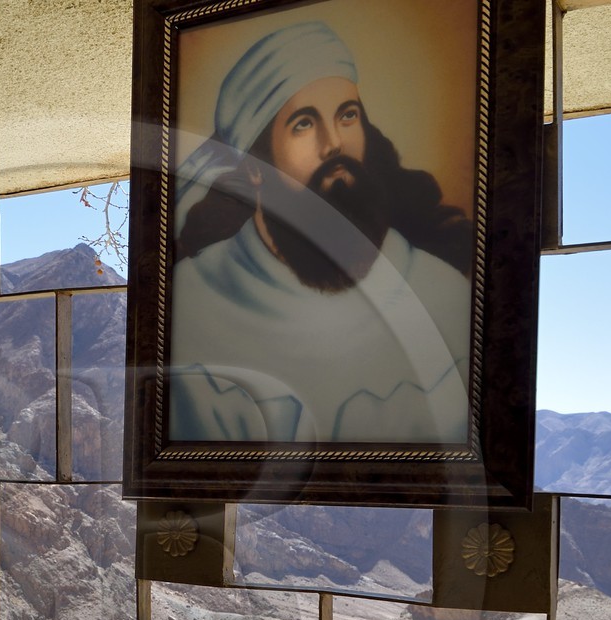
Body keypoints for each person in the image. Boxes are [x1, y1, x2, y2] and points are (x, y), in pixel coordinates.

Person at [170, 20, 475, 446]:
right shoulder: (190, 304)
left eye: (347, 116)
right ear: (255, 168)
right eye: (303, 124)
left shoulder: (441, 297)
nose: (334, 143)